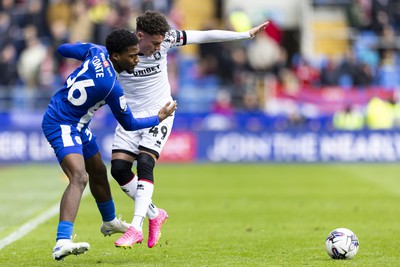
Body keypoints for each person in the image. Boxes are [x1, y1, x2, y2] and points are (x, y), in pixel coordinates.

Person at [110, 10, 268, 248]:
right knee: (119, 169)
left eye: (161, 42)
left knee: (144, 162)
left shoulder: (166, 40)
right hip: (131, 117)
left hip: (161, 112)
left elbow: (203, 36)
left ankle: (135, 227)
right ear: (139, 35)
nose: (157, 47)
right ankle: (155, 214)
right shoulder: (121, 51)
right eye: (153, 43)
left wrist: (244, 35)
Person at [41, 28, 177, 261]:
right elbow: (130, 123)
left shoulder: (96, 51)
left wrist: (81, 50)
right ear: (116, 57)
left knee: (98, 171)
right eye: (133, 55)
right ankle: (62, 241)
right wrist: (159, 117)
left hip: (79, 125)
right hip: (61, 123)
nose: (137, 59)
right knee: (80, 177)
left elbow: (63, 49)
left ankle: (110, 221)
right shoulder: (112, 86)